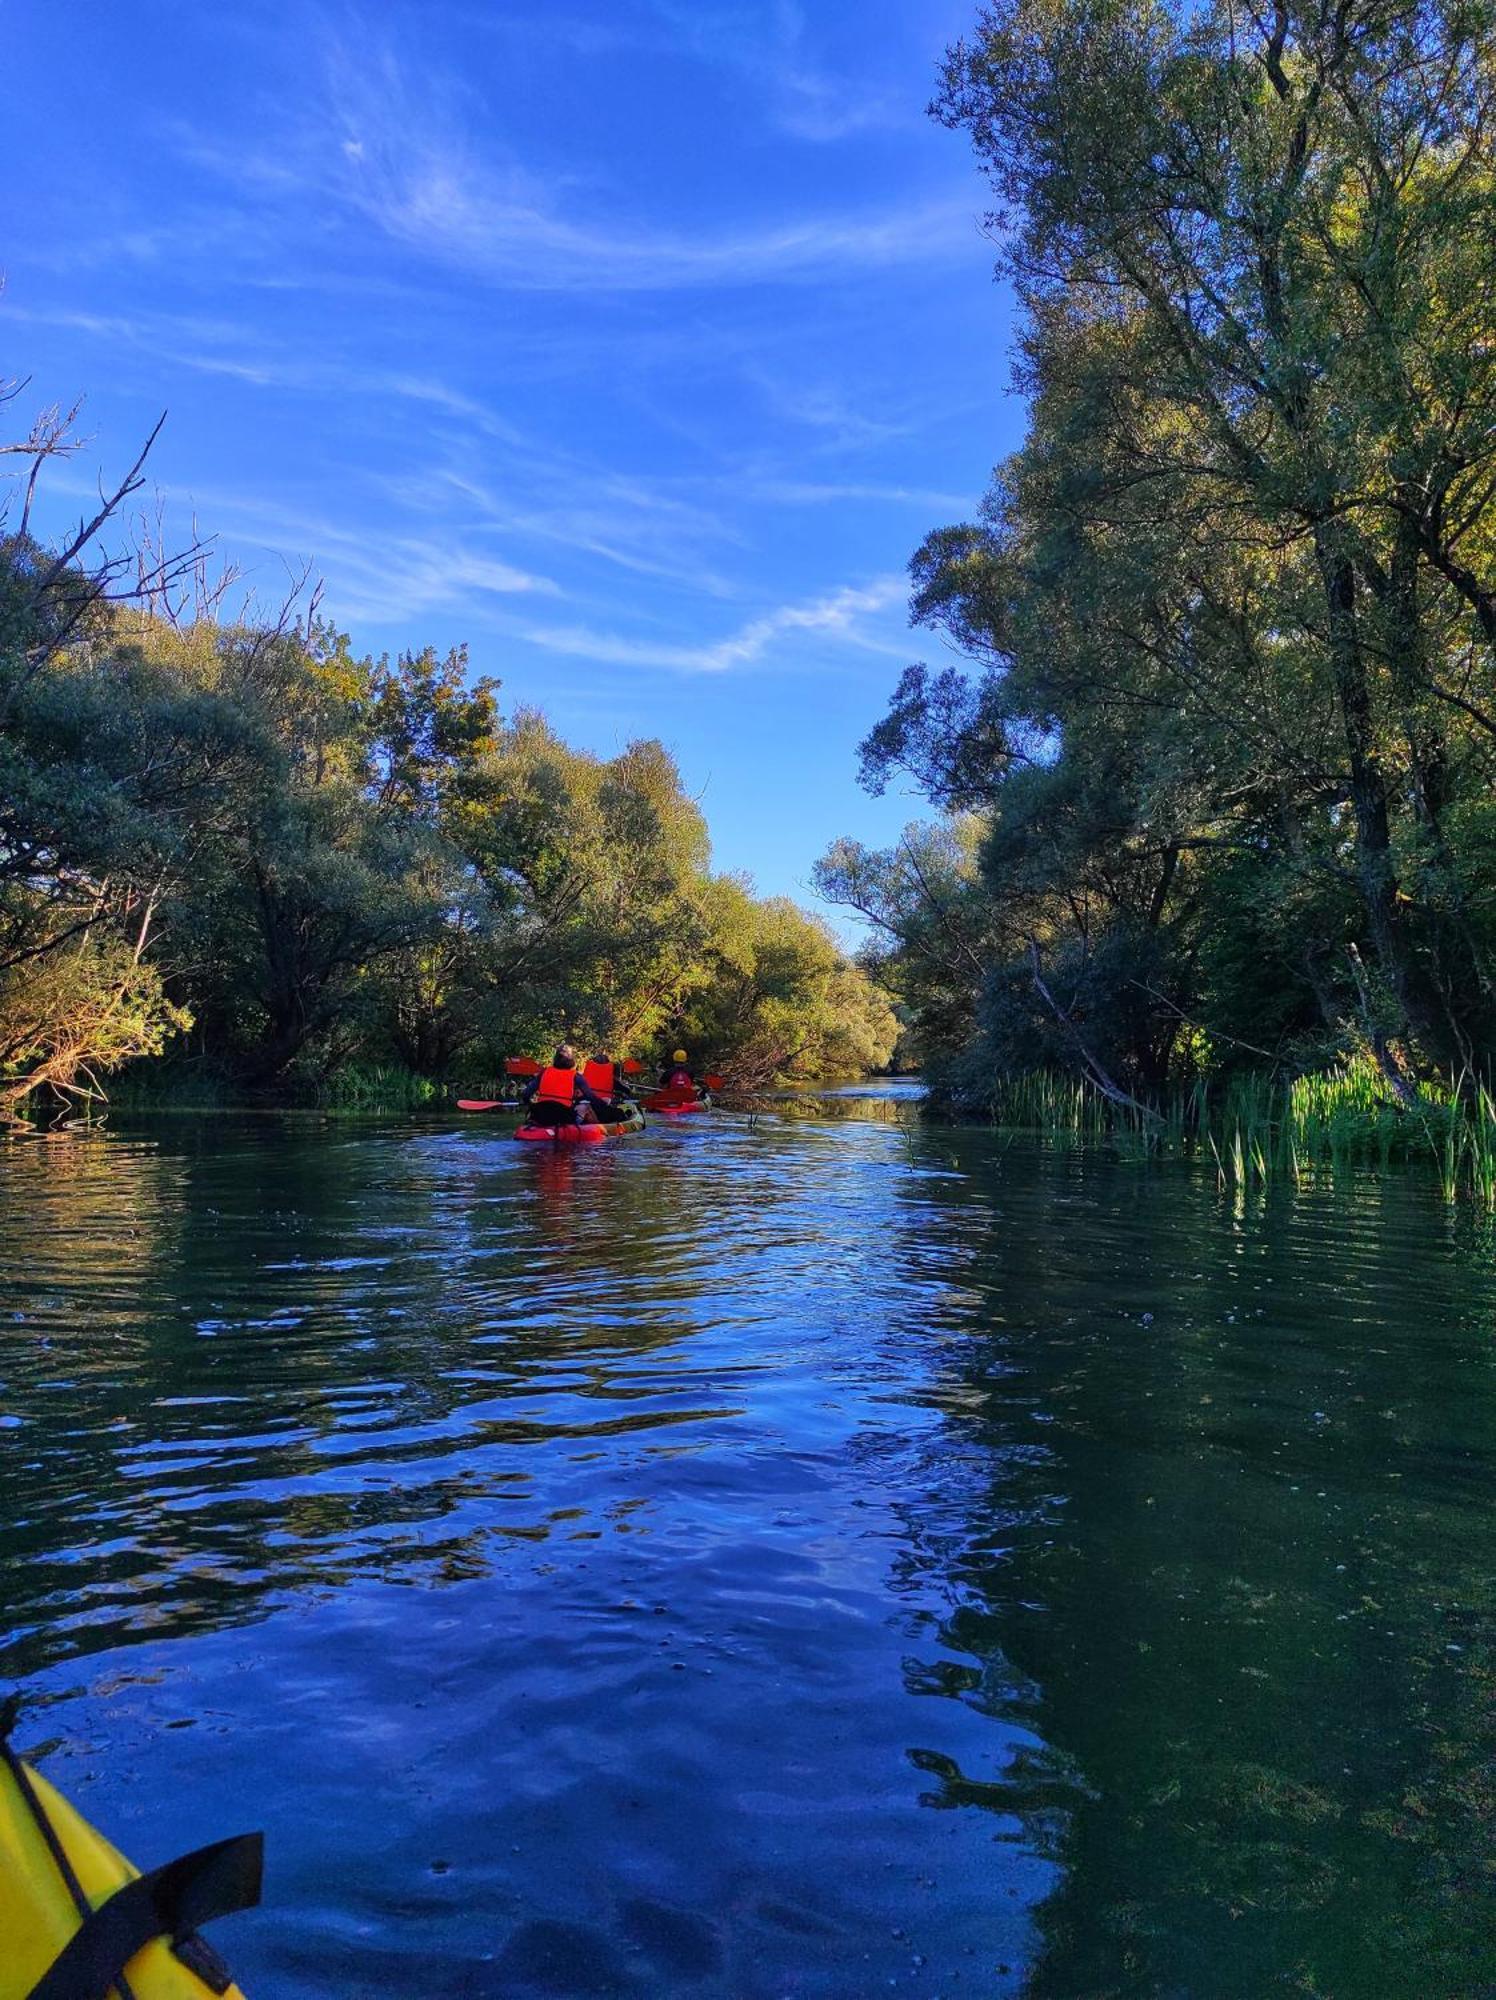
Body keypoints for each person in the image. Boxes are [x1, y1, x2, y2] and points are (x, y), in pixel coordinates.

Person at [521, 1046, 617, 1129]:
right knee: (586, 1107)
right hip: (562, 1117)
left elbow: (525, 1094)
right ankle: (602, 1131)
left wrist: (530, 1105)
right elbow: (590, 1097)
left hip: (541, 1114)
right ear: (571, 1060)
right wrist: (605, 1105)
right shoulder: (576, 1076)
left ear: (555, 1059)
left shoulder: (544, 1072)